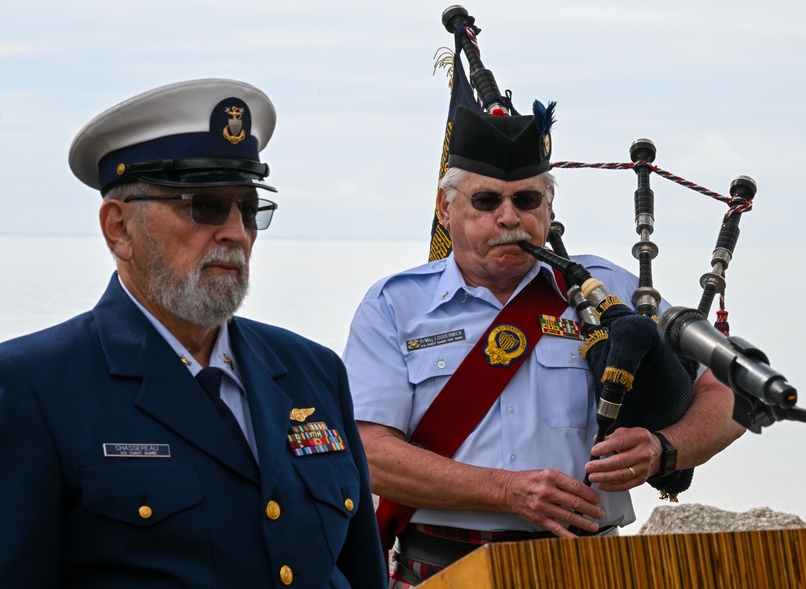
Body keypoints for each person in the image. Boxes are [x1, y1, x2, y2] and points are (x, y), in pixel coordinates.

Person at [0, 79, 387, 588]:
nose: (235, 232)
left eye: (249, 211)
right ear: (119, 228)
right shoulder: (35, 387)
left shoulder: (312, 373)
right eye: (204, 206)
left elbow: (360, 571)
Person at [343, 103, 746, 586]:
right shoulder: (395, 306)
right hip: (442, 569)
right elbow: (368, 453)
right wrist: (505, 491)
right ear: (445, 208)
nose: (509, 218)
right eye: (487, 201)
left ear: (549, 206)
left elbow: (732, 389)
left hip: (589, 567)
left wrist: (665, 450)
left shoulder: (609, 291)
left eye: (528, 200)